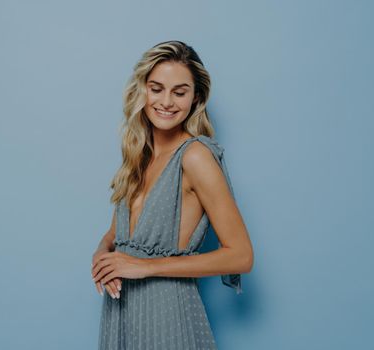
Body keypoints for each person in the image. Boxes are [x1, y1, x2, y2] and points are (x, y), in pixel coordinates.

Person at [91, 40, 254, 350]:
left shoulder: (195, 156)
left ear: (195, 98)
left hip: (166, 312)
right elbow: (116, 234)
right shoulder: (138, 154)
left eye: (179, 92)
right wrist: (102, 257)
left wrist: (145, 267)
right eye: (156, 88)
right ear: (142, 91)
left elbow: (242, 256)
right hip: (122, 309)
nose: (166, 101)